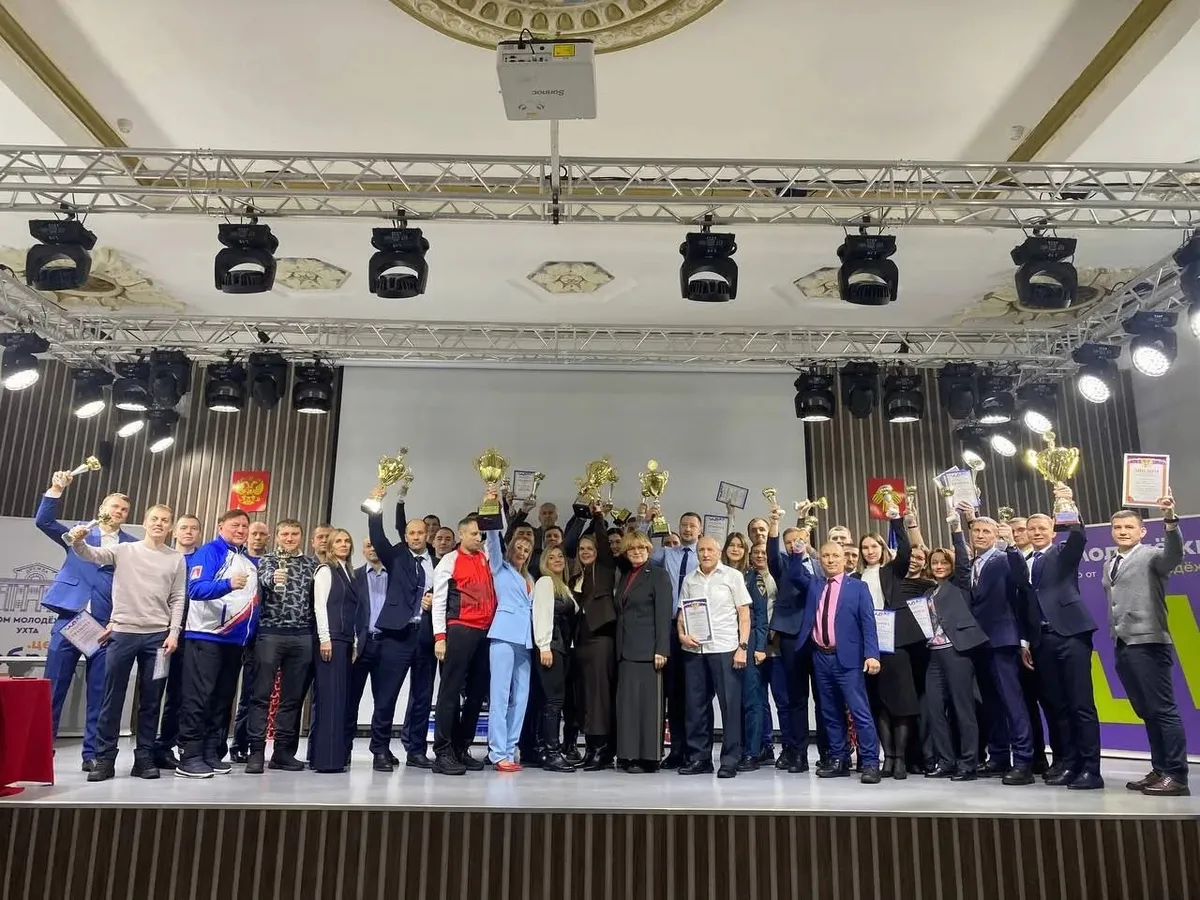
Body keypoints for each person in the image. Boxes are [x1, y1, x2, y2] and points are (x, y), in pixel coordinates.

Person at [67, 504, 185, 782]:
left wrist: (174, 632)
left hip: (158, 639)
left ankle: (144, 758)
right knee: (112, 698)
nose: (159, 523)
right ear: (144, 522)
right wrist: (78, 540)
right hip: (122, 634)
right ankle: (105, 759)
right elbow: (90, 554)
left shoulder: (176, 558)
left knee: (151, 701)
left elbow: (178, 596)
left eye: (164, 520)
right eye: (154, 519)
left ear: (170, 527)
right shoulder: (124, 550)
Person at [35, 470, 135, 772]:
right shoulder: (80, 533)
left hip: (104, 626)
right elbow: (44, 522)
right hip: (70, 617)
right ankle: (40, 751)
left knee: (99, 694)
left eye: (124, 509)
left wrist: (119, 620)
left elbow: (133, 586)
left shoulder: (131, 545)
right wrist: (56, 488)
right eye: (114, 506)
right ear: (102, 508)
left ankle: (91, 754)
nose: (118, 511)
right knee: (53, 688)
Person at [1009, 490, 1102, 790]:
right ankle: (1070, 764)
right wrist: (1026, 642)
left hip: (1070, 636)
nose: (1036, 532)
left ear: (1052, 530)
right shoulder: (1022, 562)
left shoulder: (1063, 554)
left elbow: (1078, 536)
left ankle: (1091, 770)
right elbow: (1025, 604)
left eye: (1042, 528)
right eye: (1031, 529)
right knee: (1057, 706)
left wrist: (1068, 504)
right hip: (1041, 641)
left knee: (1081, 705)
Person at [1104, 496, 1188, 796]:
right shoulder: (1110, 562)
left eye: (1129, 527)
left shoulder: (1153, 556)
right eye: (1118, 527)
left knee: (1163, 710)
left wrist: (1170, 519)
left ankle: (1176, 775)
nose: (1123, 531)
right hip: (1123, 643)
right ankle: (1160, 769)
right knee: (1147, 711)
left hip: (1149, 642)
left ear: (1142, 531)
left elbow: (1174, 554)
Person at [788, 539, 883, 784]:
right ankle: (839, 759)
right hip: (820, 657)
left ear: (844, 559)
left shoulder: (858, 587)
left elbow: (868, 623)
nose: (830, 560)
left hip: (848, 659)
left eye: (835, 556)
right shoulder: (815, 584)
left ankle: (870, 762)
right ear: (819, 560)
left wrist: (872, 654)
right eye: (825, 556)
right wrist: (798, 550)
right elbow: (794, 574)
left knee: (860, 712)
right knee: (829, 712)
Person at [175, 509, 259, 779]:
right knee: (198, 698)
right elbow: (195, 589)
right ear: (221, 526)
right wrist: (227, 584)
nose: (241, 530)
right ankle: (189, 756)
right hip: (206, 636)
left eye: (244, 526)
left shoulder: (246, 560)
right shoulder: (209, 552)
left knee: (222, 700)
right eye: (235, 525)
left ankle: (211, 752)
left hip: (234, 641)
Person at [961, 507, 1035, 784]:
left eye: (986, 531)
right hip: (978, 642)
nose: (980, 535)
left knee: (1012, 702)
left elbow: (1022, 577)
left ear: (996, 536)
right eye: (976, 531)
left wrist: (1013, 546)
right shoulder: (971, 563)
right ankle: (999, 756)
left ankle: (1024, 761)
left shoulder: (1004, 559)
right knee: (990, 704)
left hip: (1002, 640)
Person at [356, 490, 429, 771]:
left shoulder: (437, 561)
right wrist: (377, 505)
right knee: (387, 697)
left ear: (427, 535)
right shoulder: (396, 557)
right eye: (411, 533)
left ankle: (417, 751)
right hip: (398, 635)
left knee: (421, 697)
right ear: (406, 536)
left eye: (420, 533)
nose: (416, 537)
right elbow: (378, 535)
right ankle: (380, 750)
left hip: (425, 636)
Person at [247, 519, 319, 774]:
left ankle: (282, 752)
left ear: (301, 536)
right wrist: (272, 578)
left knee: (292, 699)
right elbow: (265, 580)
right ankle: (256, 752)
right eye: (285, 534)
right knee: (261, 696)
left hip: (302, 636)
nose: (289, 538)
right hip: (270, 634)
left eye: (294, 534)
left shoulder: (312, 564)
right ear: (277, 537)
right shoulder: (267, 561)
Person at [678, 536, 752, 778]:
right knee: (695, 706)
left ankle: (730, 760)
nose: (706, 554)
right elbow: (682, 614)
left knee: (729, 706)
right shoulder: (690, 579)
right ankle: (699, 758)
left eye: (710, 549)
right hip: (695, 650)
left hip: (725, 648)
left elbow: (744, 614)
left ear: (719, 552)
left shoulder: (732, 576)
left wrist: (742, 647)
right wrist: (682, 635)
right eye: (701, 550)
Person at [431, 510, 498, 775]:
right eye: (473, 534)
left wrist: (493, 502)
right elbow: (439, 601)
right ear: (461, 534)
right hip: (460, 629)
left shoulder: (485, 556)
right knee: (449, 692)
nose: (478, 538)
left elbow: (498, 531)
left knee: (476, 694)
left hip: (485, 632)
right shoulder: (449, 561)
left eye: (480, 534)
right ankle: (443, 752)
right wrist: (440, 637)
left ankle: (461, 747)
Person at [921, 518, 988, 780]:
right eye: (935, 563)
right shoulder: (928, 593)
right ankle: (945, 761)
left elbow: (962, 561)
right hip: (934, 656)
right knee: (935, 709)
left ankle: (969, 763)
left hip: (957, 653)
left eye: (943, 563)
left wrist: (956, 531)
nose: (939, 566)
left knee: (963, 708)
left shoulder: (960, 584)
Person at [856, 510, 918, 779]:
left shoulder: (891, 571)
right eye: (865, 548)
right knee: (878, 703)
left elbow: (905, 551)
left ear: (882, 549)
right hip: (869, 647)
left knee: (901, 702)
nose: (870, 551)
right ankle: (888, 758)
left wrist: (895, 521)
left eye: (874, 546)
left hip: (895, 643)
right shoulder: (855, 579)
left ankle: (901, 758)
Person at [766, 507, 824, 772]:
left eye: (797, 540)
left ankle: (829, 752)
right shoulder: (783, 564)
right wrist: (774, 524)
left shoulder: (820, 564)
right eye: (788, 542)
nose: (793, 545)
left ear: (806, 539)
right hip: (792, 637)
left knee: (823, 698)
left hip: (821, 637)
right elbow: (771, 554)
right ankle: (798, 753)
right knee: (797, 698)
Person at [648, 507, 702, 768]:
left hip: (697, 629)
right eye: (684, 525)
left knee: (695, 693)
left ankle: (696, 751)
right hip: (670, 628)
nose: (687, 529)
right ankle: (677, 750)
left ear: (700, 530)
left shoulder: (704, 555)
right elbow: (642, 552)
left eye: (692, 525)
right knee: (674, 691)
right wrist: (647, 521)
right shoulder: (667, 553)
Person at [614, 532, 672, 772]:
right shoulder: (626, 576)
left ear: (649, 550)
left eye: (641, 548)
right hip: (626, 650)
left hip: (649, 651)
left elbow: (663, 614)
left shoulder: (658, 575)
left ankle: (649, 757)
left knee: (649, 707)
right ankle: (628, 755)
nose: (636, 552)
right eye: (631, 549)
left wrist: (662, 649)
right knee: (628, 706)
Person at [483, 504, 535, 772]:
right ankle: (497, 752)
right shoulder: (499, 567)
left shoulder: (530, 578)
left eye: (526, 550)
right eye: (518, 547)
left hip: (525, 641)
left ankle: (510, 748)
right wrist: (492, 508)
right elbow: (493, 541)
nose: (522, 552)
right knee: (500, 696)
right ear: (511, 548)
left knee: (521, 698)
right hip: (503, 635)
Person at [567, 503, 619, 770]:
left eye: (590, 548)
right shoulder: (575, 577)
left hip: (601, 641)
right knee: (585, 698)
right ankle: (589, 747)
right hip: (581, 643)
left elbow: (604, 544)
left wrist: (598, 517)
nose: (585, 552)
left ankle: (602, 749)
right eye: (582, 549)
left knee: (599, 697)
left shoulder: (605, 570)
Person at [154, 513, 202, 770]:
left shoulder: (202, 559)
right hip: (158, 632)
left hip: (188, 635)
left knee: (179, 694)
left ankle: (166, 746)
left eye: (193, 528)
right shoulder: (163, 556)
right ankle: (146, 748)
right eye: (184, 527)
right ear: (174, 531)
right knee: (153, 691)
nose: (188, 532)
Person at [311, 528, 360, 773]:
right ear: (330, 545)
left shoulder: (349, 573)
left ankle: (335, 757)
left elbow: (351, 611)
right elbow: (320, 606)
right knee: (330, 699)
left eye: (347, 541)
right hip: (330, 641)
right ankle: (325, 760)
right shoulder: (325, 570)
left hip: (344, 641)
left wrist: (354, 641)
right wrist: (325, 639)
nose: (343, 544)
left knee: (340, 699)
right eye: (338, 541)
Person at [228, 519, 271, 764]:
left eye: (262, 534)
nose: (257, 537)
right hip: (233, 631)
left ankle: (241, 744)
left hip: (259, 635)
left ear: (268, 537)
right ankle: (218, 745)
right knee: (225, 691)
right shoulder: (236, 559)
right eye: (254, 533)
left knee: (251, 693)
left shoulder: (271, 562)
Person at [533, 545, 578, 772]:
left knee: (553, 701)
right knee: (553, 702)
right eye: (551, 557)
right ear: (545, 562)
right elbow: (541, 614)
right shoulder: (545, 582)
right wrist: (544, 646)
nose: (557, 559)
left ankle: (548, 749)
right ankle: (551, 753)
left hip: (562, 649)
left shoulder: (563, 586)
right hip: (551, 647)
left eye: (560, 556)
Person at [740, 541, 772, 769]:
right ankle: (741, 747)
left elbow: (761, 616)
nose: (735, 550)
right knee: (736, 700)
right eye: (731, 546)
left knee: (754, 699)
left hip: (751, 643)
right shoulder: (727, 574)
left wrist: (760, 647)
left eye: (739, 546)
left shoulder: (754, 579)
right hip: (727, 642)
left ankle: (753, 751)